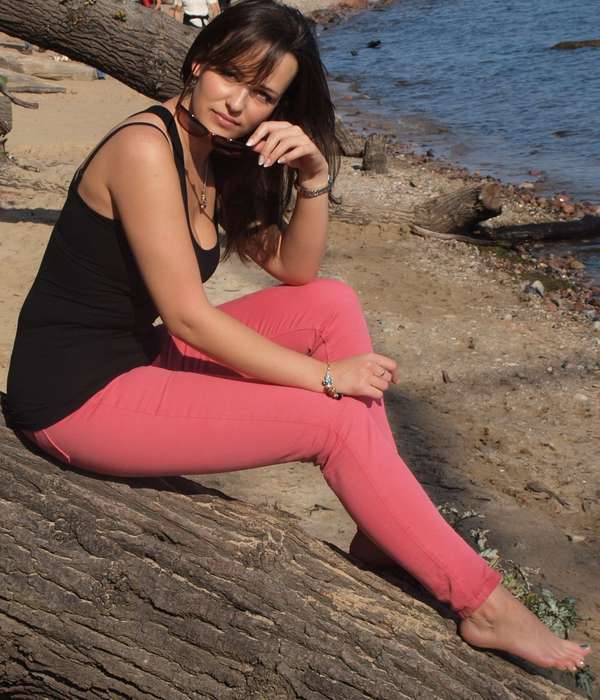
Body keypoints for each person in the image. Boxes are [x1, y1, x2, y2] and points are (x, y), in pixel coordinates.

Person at [6, 0, 591, 674]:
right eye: (231, 76)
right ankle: (482, 604)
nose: (239, 103)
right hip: (78, 397)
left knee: (330, 303)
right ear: (198, 63)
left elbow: (295, 269)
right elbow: (191, 318)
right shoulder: (144, 147)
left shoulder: (215, 153)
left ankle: (380, 527)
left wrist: (314, 177)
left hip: (141, 353)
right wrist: (326, 378)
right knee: (331, 421)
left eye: (263, 94)